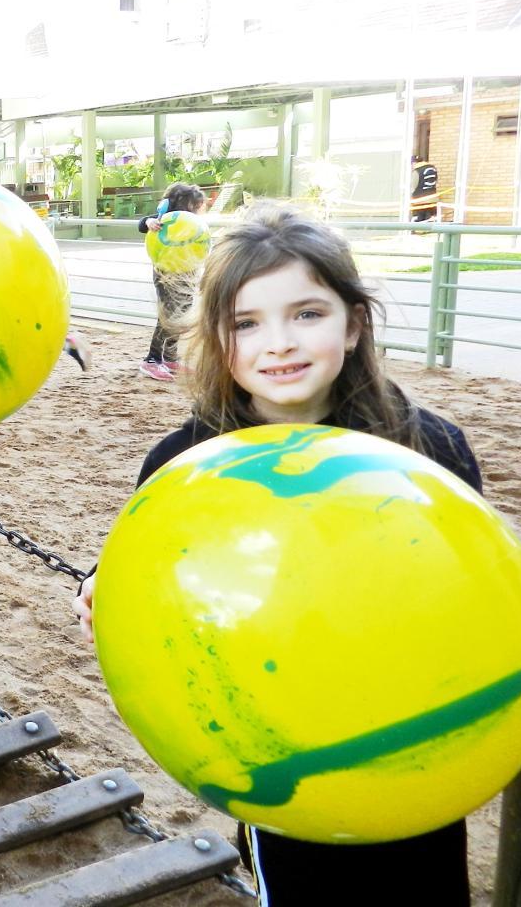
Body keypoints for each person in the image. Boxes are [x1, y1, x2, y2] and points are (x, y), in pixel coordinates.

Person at [75, 206, 482, 905]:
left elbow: (477, 593)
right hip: (283, 757)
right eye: (246, 322)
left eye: (308, 313)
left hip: (415, 745)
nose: (280, 344)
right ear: (216, 337)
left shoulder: (427, 450)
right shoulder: (185, 466)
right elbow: (161, 581)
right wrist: (101, 587)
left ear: (353, 324)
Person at [137, 182, 208, 382]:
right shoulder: (165, 217)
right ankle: (151, 360)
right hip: (165, 271)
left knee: (182, 314)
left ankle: (169, 358)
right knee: (168, 315)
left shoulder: (191, 223)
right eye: (193, 205)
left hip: (188, 271)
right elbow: (143, 223)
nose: (196, 209)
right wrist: (150, 222)